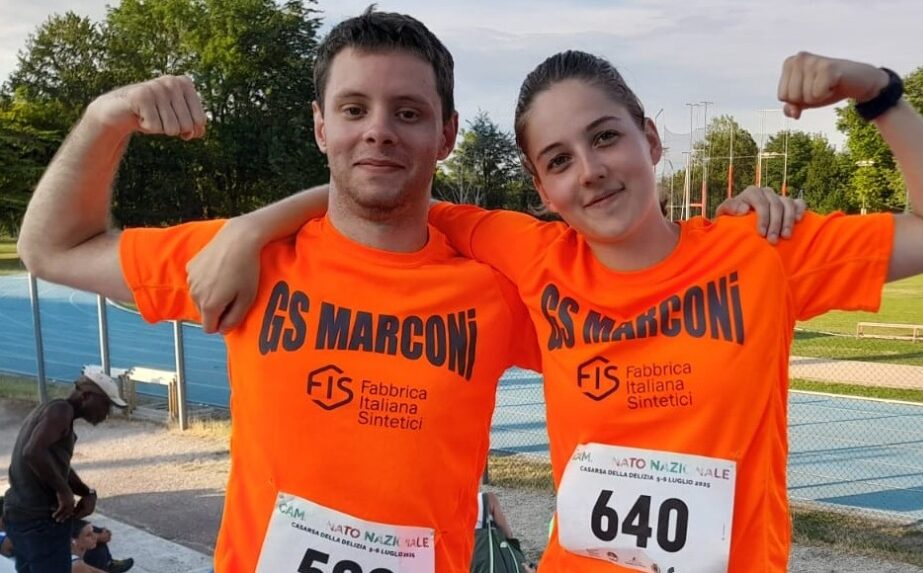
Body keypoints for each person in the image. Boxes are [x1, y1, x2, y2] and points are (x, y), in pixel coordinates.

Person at [190, 49, 923, 572]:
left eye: (606, 137)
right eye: (559, 160)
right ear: (542, 189)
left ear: (651, 138)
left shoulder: (760, 253)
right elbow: (380, 190)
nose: (590, 171)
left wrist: (877, 93)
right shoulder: (532, 255)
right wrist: (253, 227)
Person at [16, 7, 549, 572]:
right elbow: (51, 248)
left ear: (447, 135)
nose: (378, 129)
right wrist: (104, 119)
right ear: (320, 126)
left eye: (408, 112)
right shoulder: (244, 259)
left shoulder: (494, 290)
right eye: (354, 109)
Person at [3, 372, 126, 573]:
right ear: (86, 396)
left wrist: (86, 492)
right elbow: (32, 452)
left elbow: (56, 465)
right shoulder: (61, 411)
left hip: (22, 516)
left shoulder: (54, 412)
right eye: (105, 404)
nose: (107, 413)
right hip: (39, 521)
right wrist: (64, 491)